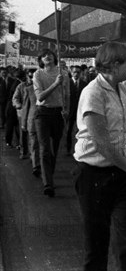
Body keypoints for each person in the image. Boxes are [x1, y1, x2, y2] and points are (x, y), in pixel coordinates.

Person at [72, 42, 126, 270]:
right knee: (97, 246)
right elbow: (104, 146)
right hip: (94, 177)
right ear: (114, 65)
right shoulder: (93, 93)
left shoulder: (123, 90)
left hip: (123, 175)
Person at [33, 49, 70, 197]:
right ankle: (48, 183)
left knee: (55, 148)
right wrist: (55, 84)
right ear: (41, 60)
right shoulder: (38, 74)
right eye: (44, 56)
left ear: (55, 57)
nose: (47, 57)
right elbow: (40, 96)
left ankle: (48, 172)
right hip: (43, 113)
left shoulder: (64, 74)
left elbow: (67, 95)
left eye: (49, 55)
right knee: (45, 149)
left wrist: (67, 110)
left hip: (58, 113)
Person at [66, 65, 87, 155]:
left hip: (80, 112)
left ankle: (78, 149)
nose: (76, 74)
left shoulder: (84, 84)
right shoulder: (67, 83)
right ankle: (68, 149)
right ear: (71, 73)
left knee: (80, 132)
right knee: (68, 131)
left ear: (80, 73)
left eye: (78, 72)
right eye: (74, 72)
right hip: (70, 111)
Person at [12, 69, 33, 159]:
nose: (31, 79)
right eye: (30, 76)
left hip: (33, 113)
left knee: (33, 134)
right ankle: (24, 152)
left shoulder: (37, 86)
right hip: (23, 114)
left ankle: (33, 153)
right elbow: (15, 99)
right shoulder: (21, 86)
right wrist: (20, 106)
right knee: (23, 133)